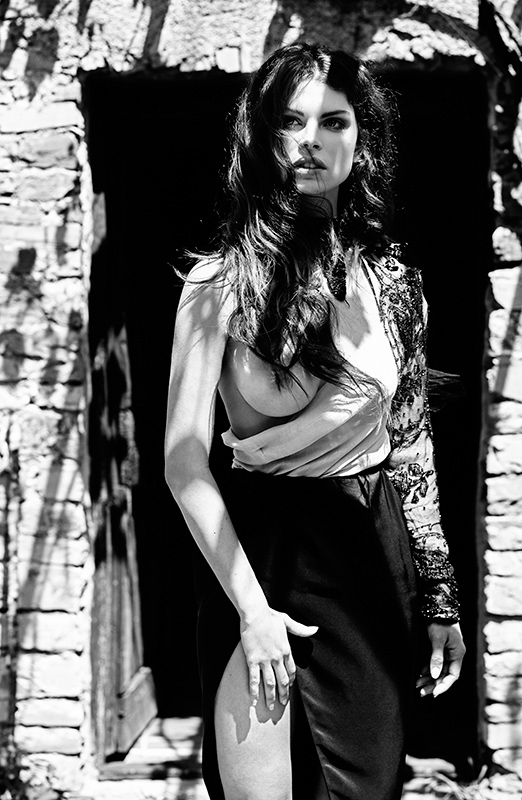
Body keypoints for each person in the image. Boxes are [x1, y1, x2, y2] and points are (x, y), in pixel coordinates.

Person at [164, 42, 466, 800]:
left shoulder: (393, 282)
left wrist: (440, 596)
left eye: (333, 121)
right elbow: (183, 462)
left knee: (368, 787)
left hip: (367, 552)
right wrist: (251, 610)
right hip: (258, 555)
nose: (310, 140)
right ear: (263, 136)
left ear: (360, 139)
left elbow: (411, 444)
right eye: (290, 121)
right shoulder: (219, 284)